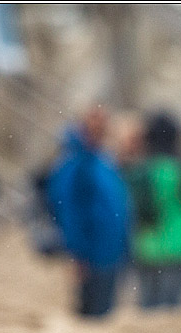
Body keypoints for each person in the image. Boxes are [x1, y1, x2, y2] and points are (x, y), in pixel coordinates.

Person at [46, 104, 132, 318]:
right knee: (91, 319)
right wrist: (77, 254)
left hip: (111, 254)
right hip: (90, 257)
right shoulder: (75, 162)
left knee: (105, 316)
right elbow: (68, 212)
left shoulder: (103, 159)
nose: (100, 127)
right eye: (94, 122)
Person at [128, 110, 181, 310]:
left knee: (147, 310)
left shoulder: (140, 169)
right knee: (171, 313)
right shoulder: (180, 167)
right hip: (180, 247)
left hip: (146, 248)